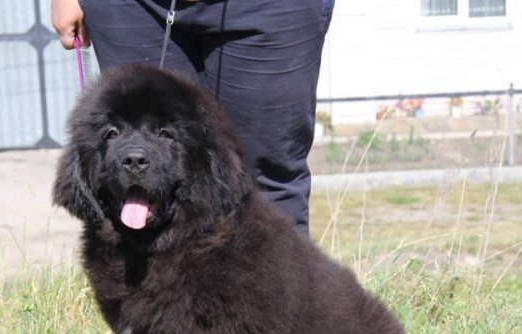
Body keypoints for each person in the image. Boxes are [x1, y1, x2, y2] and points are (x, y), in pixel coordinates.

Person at [52, 0, 334, 235]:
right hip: (133, 8)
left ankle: (272, 302)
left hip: (268, 7)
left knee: (266, 179)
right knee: (137, 178)